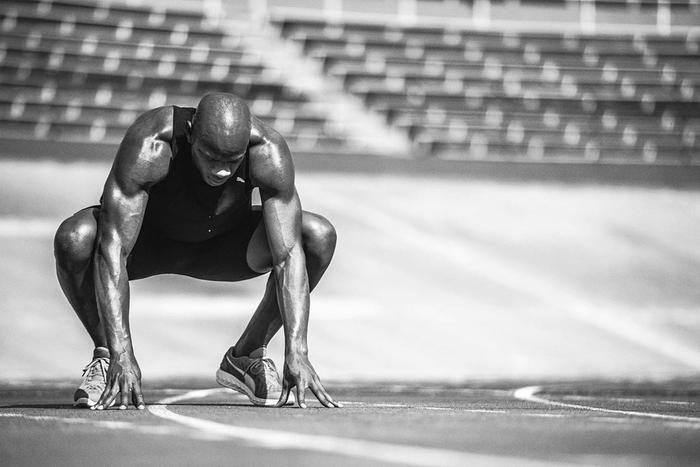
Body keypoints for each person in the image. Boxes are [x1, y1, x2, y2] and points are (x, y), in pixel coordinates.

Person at [53, 92, 341, 410]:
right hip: (148, 245)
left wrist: (297, 350)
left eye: (231, 162)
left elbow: (288, 256)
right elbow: (113, 248)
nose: (220, 171)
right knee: (75, 238)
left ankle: (246, 355)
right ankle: (107, 359)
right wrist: (122, 350)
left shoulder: (267, 150)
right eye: (210, 157)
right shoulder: (152, 140)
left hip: (224, 248)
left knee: (317, 235)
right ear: (191, 135)